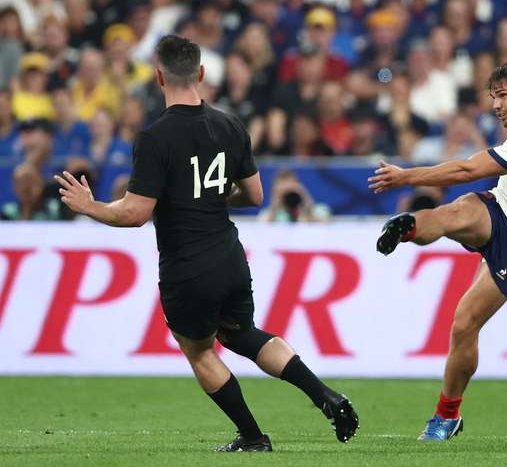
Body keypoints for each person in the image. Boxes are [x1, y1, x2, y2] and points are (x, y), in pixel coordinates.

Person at [54, 35, 358, 452]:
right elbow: (254, 196)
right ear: (200, 74)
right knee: (243, 335)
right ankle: (326, 395)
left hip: (186, 264)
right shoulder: (231, 125)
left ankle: (252, 437)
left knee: (200, 352)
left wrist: (90, 207)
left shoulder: (154, 137)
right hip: (230, 256)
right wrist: (211, 198)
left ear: (159, 77)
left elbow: (136, 213)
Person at [369, 60, 507, 441]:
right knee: (460, 210)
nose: (496, 105)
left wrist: (406, 176)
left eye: (503, 95)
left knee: (465, 324)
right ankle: (411, 226)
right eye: (493, 97)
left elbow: (468, 168)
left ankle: (448, 416)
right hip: (501, 210)